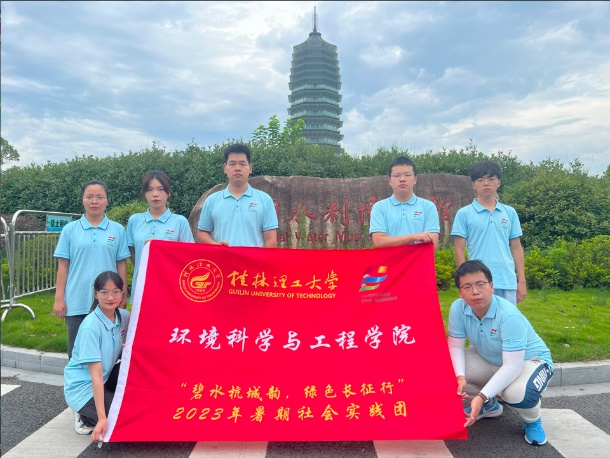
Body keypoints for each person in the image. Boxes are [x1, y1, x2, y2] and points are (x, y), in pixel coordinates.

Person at [447, 260, 553, 446]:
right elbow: (455, 348)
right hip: (491, 360)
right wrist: (460, 376)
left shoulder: (508, 315)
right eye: (467, 287)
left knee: (516, 395)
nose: (475, 291)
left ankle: (532, 420)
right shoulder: (458, 308)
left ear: (492, 286)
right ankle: (490, 406)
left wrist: (481, 396)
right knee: (445, 372)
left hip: (530, 362)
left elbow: (512, 366)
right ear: (460, 292)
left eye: (480, 284)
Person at [53, 180, 130, 359]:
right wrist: (59, 297)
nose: (94, 201)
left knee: (109, 349)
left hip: (108, 299)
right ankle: (78, 379)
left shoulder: (117, 229)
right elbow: (63, 265)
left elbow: (121, 263)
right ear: (83, 200)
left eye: (99, 197)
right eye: (89, 197)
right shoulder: (70, 230)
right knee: (77, 350)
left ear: (107, 200)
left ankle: (103, 378)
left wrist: (123, 293)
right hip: (76, 299)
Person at [64, 271, 130, 442]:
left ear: (122, 293)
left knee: (133, 373)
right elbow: (96, 375)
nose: (110, 297)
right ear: (95, 294)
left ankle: (107, 401)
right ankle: (85, 416)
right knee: (123, 420)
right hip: (84, 389)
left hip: (106, 377)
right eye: (104, 292)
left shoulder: (124, 316)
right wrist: (102, 418)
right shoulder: (90, 328)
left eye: (116, 291)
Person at [451, 161, 526, 305]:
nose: (486, 183)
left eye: (491, 179)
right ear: (473, 184)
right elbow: (459, 249)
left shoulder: (509, 212)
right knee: (478, 318)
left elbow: (516, 247)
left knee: (506, 318)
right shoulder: (464, 213)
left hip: (506, 279)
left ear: (498, 183)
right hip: (477, 282)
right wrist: (464, 281)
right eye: (480, 180)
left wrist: (521, 280)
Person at [126, 171, 194, 298]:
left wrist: (163, 247)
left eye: (160, 189)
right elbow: (131, 251)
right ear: (144, 194)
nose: (155, 194)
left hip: (170, 287)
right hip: (141, 286)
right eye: (150, 190)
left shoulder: (180, 222)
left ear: (169, 193)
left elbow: (188, 254)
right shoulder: (134, 220)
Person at [197, 143, 278, 247]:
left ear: (250, 168)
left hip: (252, 258)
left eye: (242, 164)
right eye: (232, 164)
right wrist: (216, 245)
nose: (237, 168)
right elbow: (202, 232)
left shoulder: (265, 200)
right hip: (223, 257)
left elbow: (271, 239)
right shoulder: (212, 200)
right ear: (225, 168)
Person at [369, 156, 440, 249]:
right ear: (389, 181)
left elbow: (433, 245)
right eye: (397, 175)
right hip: (391, 259)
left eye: (407, 175)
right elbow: (379, 242)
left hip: (419, 259)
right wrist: (413, 237)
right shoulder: (379, 207)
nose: (402, 179)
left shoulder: (428, 207)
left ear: (415, 179)